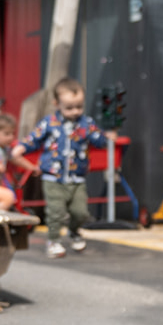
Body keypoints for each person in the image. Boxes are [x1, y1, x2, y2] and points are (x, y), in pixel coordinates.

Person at [12, 77, 114, 258]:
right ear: (56, 104)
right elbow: (34, 139)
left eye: (79, 106)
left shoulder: (86, 123)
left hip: (77, 178)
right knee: (55, 212)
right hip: (53, 177)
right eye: (69, 107)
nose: (75, 112)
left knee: (80, 212)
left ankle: (74, 231)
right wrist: (22, 147)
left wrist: (109, 136)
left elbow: (100, 141)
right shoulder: (49, 123)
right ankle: (53, 241)